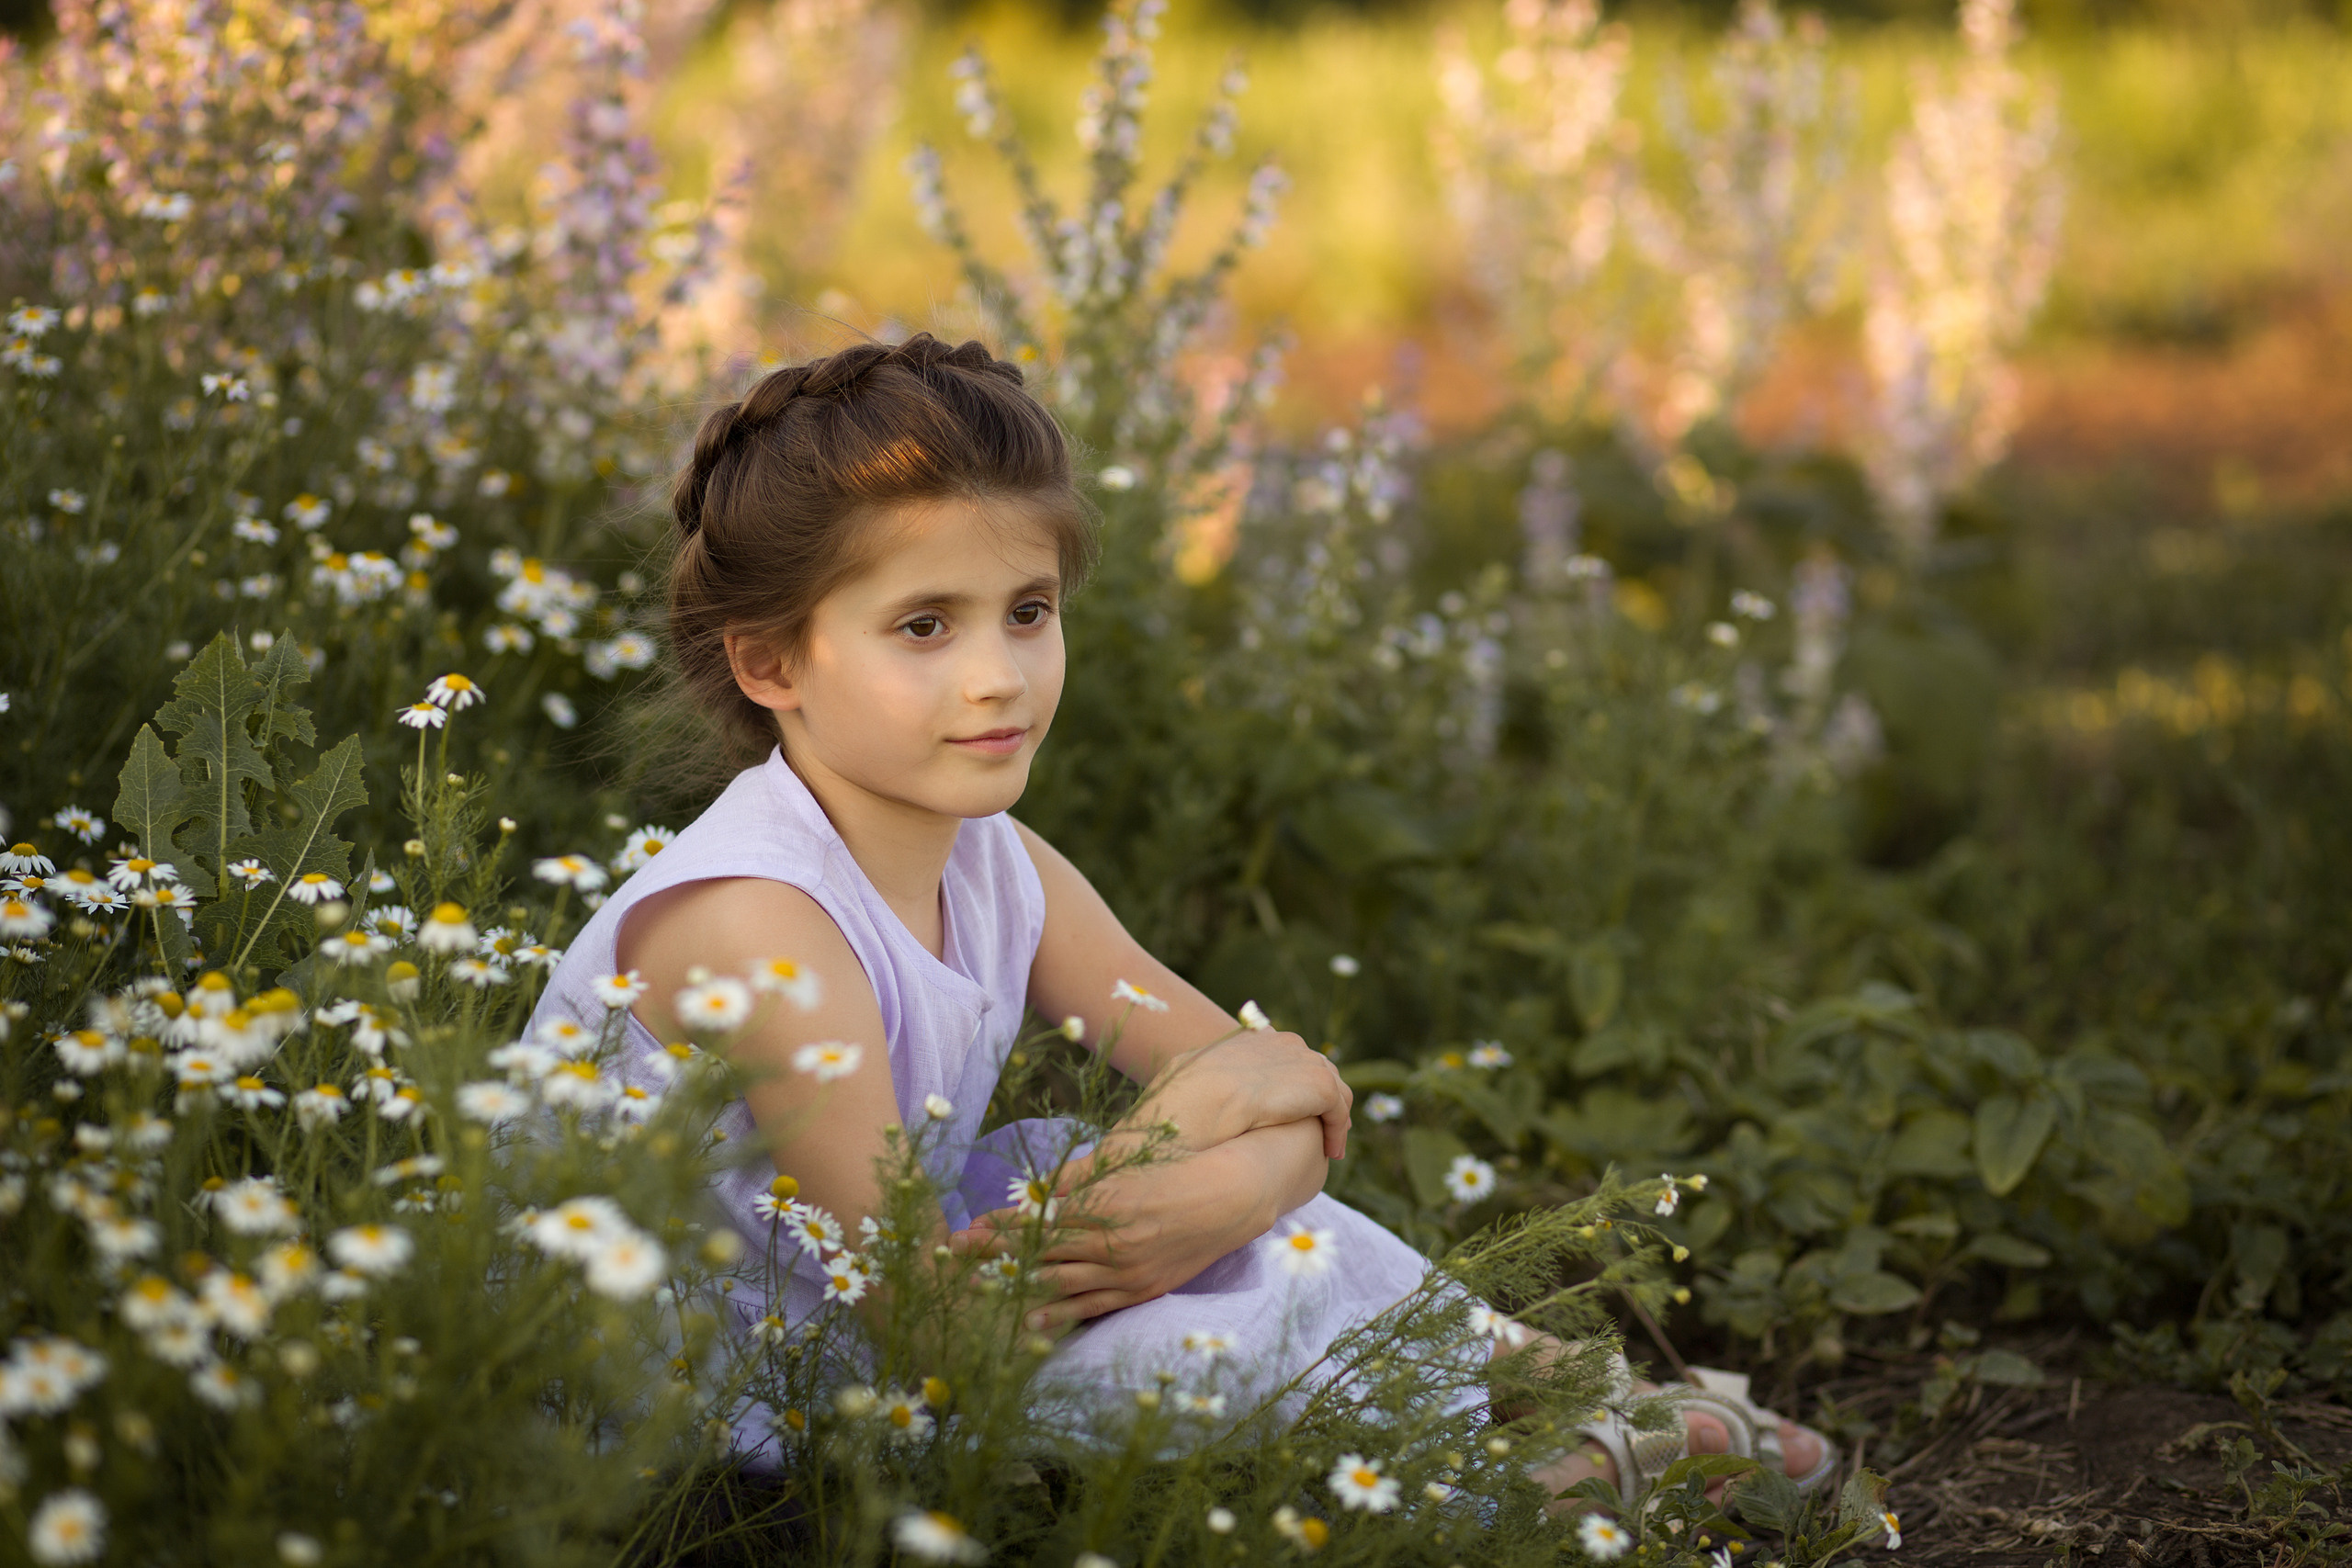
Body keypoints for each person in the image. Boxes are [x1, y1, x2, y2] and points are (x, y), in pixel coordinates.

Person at [528, 333, 1828, 1508]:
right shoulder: (762, 920)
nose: (999, 677)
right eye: (923, 626)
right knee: (1202, 1287)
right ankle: (1507, 1480)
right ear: (772, 665)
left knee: (1224, 1221)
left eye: (1027, 613)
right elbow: (929, 1329)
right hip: (723, 1390)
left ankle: (1543, 1392)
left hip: (896, 1317)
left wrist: (1210, 1185)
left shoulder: (993, 862)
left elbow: (1284, 1086)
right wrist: (1201, 1156)